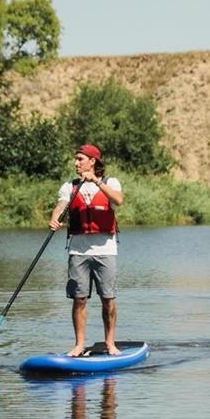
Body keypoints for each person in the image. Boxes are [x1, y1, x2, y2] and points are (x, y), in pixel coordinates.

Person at [49, 144, 124, 357]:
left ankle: (110, 343)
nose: (76, 163)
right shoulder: (70, 186)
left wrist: (97, 182)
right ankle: (79, 344)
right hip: (78, 251)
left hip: (105, 250)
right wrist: (54, 218)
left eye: (80, 159)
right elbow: (61, 204)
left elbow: (118, 200)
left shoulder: (110, 182)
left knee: (107, 298)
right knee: (79, 299)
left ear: (92, 161)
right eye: (76, 159)